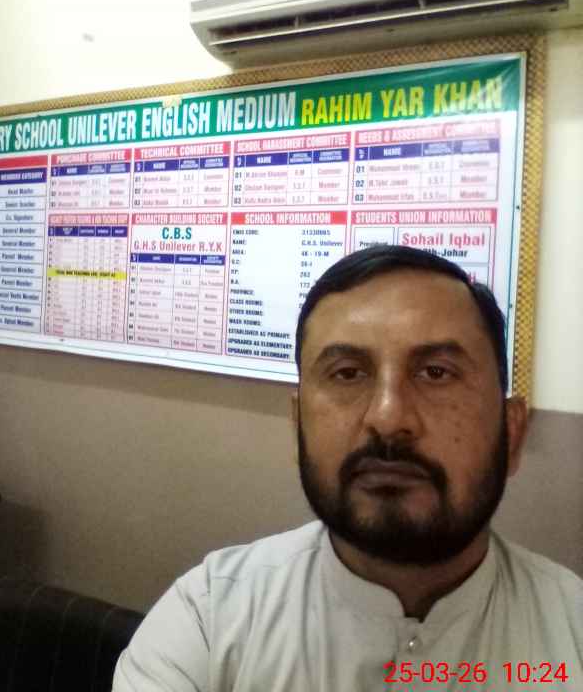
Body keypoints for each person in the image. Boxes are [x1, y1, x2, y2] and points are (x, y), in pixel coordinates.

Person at [113, 245, 583, 692]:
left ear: (512, 432)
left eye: (436, 372)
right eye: (348, 374)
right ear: (298, 425)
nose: (388, 418)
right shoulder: (208, 619)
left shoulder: (572, 631)